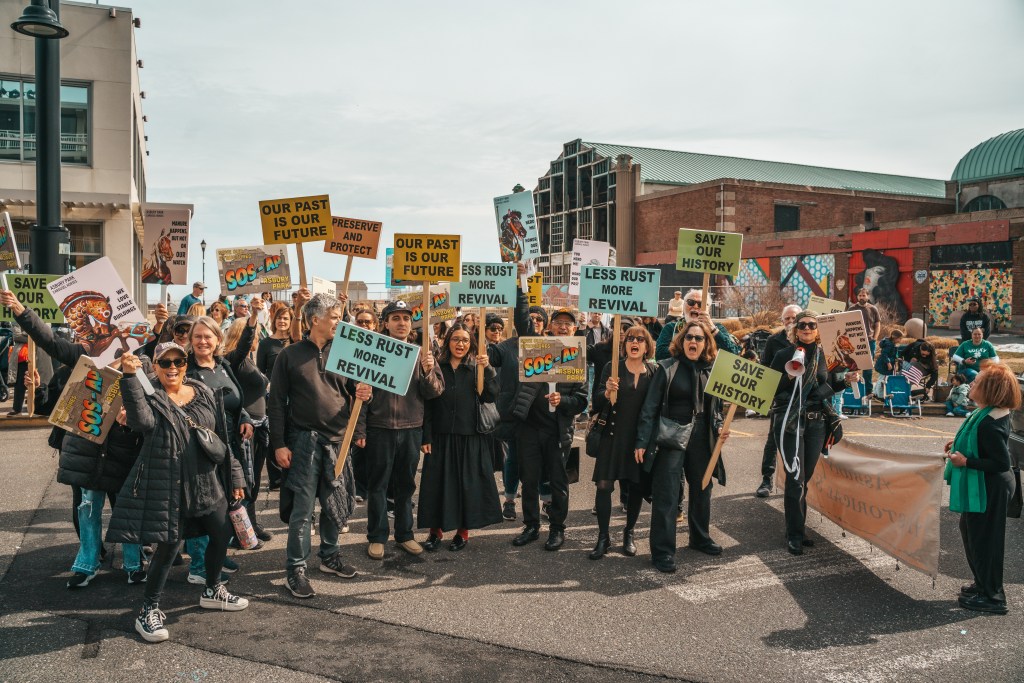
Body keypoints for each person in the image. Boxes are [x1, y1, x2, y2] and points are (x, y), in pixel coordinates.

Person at [2, 290, 146, 588]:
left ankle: (134, 563)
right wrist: (20, 310)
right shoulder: (81, 359)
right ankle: (87, 562)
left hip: (122, 450)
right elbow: (49, 341)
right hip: (86, 450)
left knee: (126, 509)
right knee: (88, 508)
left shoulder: (139, 362)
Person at [109, 344, 249, 643]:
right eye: (165, 362)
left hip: (207, 483)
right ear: (155, 366)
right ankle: (148, 610)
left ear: (186, 364)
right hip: (168, 486)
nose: (173, 366)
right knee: (169, 547)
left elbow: (220, 438)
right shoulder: (149, 394)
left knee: (222, 533)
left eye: (179, 361)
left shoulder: (201, 391)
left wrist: (234, 472)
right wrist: (130, 377)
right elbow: (142, 422)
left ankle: (212, 589)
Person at [269, 294, 371, 598]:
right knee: (302, 510)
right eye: (335, 316)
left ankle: (329, 556)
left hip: (338, 442)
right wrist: (278, 444)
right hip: (303, 442)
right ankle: (295, 569)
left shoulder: (346, 353)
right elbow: (275, 403)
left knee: (333, 504)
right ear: (315, 320)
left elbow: (359, 390)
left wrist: (365, 390)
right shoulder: (288, 355)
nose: (339, 322)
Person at [635, 321, 729, 573]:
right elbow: (650, 408)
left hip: (701, 438)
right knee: (666, 495)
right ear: (681, 341)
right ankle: (663, 551)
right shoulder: (666, 367)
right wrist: (642, 441)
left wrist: (719, 426)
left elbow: (716, 409)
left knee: (702, 488)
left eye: (699, 338)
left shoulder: (712, 370)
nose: (693, 342)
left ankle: (700, 538)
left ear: (706, 343)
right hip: (671, 435)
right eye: (689, 337)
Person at [358, 299, 443, 560]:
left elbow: (435, 393)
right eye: (395, 318)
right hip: (379, 429)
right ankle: (377, 536)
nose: (402, 323)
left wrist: (428, 372)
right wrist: (360, 429)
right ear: (385, 323)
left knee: (406, 487)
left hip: (411, 430)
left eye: (406, 318)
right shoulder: (373, 351)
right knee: (378, 486)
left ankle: (405, 535)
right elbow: (361, 394)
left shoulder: (422, 354)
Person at [497, 307, 587, 550]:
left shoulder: (577, 356)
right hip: (529, 428)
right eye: (558, 322)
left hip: (558, 432)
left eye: (568, 324)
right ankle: (531, 526)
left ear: (575, 329)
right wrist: (522, 283)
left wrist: (563, 401)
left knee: (559, 482)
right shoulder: (535, 347)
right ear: (550, 326)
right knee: (529, 479)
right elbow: (523, 320)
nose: (563, 327)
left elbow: (582, 399)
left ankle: (557, 528)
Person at [770, 311, 858, 555]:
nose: (807, 328)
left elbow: (828, 385)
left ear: (818, 330)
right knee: (795, 478)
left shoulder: (826, 356)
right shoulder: (783, 355)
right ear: (795, 329)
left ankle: (796, 528)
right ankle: (795, 535)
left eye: (812, 325)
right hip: (790, 422)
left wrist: (847, 380)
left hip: (816, 423)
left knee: (804, 478)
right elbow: (771, 390)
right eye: (802, 325)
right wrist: (788, 377)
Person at [182, 315, 254, 584]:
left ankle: (218, 554)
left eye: (207, 336)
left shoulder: (223, 365)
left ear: (217, 340)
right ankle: (199, 566)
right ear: (191, 341)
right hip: (200, 447)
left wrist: (245, 418)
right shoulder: (186, 370)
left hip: (229, 444)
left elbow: (235, 400)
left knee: (224, 505)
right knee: (205, 504)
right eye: (197, 336)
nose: (203, 341)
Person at [945, 364, 1020, 615]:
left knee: (986, 540)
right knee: (971, 531)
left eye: (977, 382)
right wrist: (958, 446)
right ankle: (982, 585)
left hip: (992, 486)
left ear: (990, 389)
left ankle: (993, 596)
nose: (972, 384)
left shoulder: (990, 421)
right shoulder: (987, 413)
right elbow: (981, 445)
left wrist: (966, 462)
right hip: (987, 485)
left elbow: (1000, 462)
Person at [419, 323, 502, 551]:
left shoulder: (477, 368)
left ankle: (462, 532)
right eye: (456, 339)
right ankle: (434, 532)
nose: (461, 344)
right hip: (441, 436)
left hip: (470, 437)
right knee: (437, 486)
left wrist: (489, 370)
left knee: (467, 487)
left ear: (471, 344)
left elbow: (490, 396)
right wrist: (425, 436)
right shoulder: (438, 367)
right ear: (448, 342)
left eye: (465, 340)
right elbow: (428, 403)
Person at [589, 325, 657, 559]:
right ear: (624, 344)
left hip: (638, 440)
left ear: (647, 345)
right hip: (612, 435)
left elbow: (656, 408)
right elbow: (596, 403)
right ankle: (603, 537)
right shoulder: (612, 367)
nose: (634, 342)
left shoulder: (654, 371)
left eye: (640, 339)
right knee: (604, 486)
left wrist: (646, 441)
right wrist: (606, 392)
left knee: (635, 487)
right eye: (630, 339)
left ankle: (629, 533)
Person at [222, 315, 273, 542]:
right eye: (256, 333)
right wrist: (252, 320)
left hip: (260, 424)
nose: (258, 338)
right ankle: (239, 530)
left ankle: (251, 523)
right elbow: (243, 345)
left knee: (253, 479)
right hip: (246, 427)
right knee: (245, 479)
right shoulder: (236, 359)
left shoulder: (249, 361)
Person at [755, 304, 801, 497]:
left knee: (802, 440)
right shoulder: (774, 341)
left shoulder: (809, 338)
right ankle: (767, 479)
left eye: (794, 318)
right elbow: (765, 369)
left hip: (804, 399)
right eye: (787, 319)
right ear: (782, 321)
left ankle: (799, 479)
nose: (790, 322)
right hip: (782, 399)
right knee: (773, 440)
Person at [655, 289, 740, 361]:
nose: (695, 306)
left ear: (708, 309)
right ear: (684, 305)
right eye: (691, 302)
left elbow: (733, 354)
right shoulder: (671, 327)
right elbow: (659, 355)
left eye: (700, 304)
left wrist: (712, 330)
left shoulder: (718, 328)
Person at [848, 286, 880, 386]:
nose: (862, 297)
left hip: (869, 341)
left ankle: (868, 390)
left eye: (864, 295)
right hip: (855, 341)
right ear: (857, 297)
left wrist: (875, 338)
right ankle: (853, 388)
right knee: (853, 365)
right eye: (860, 295)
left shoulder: (873, 309)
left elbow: (877, 324)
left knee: (868, 367)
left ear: (868, 296)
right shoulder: (852, 309)